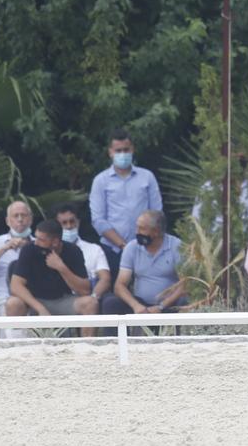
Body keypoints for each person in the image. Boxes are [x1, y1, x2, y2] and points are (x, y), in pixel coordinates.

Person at [90, 128, 163, 277]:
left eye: (126, 150)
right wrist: (124, 246)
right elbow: (98, 220)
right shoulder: (100, 181)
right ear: (110, 152)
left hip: (146, 247)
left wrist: (145, 241)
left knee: (145, 292)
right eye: (118, 151)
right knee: (115, 295)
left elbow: (157, 214)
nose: (122, 154)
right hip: (112, 250)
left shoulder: (147, 177)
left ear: (132, 150)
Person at [5, 219, 97, 334]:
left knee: (90, 303)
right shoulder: (29, 249)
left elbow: (85, 290)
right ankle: (15, 346)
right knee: (13, 303)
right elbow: (16, 285)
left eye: (41, 240)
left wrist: (61, 268)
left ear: (55, 242)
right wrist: (40, 308)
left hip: (62, 299)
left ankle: (87, 347)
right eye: (36, 237)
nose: (36, 242)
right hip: (33, 301)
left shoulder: (73, 251)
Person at [100, 210, 186, 319]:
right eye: (137, 227)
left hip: (170, 304)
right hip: (140, 304)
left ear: (156, 231)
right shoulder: (132, 247)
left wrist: (161, 306)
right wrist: (136, 306)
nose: (137, 232)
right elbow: (119, 285)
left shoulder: (176, 246)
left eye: (142, 228)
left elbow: (185, 283)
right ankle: (115, 337)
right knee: (110, 302)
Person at [55, 203, 111, 302]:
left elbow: (105, 279)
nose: (69, 226)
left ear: (78, 222)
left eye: (72, 221)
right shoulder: (50, 251)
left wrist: (93, 298)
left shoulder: (94, 249)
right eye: (64, 223)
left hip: (89, 297)